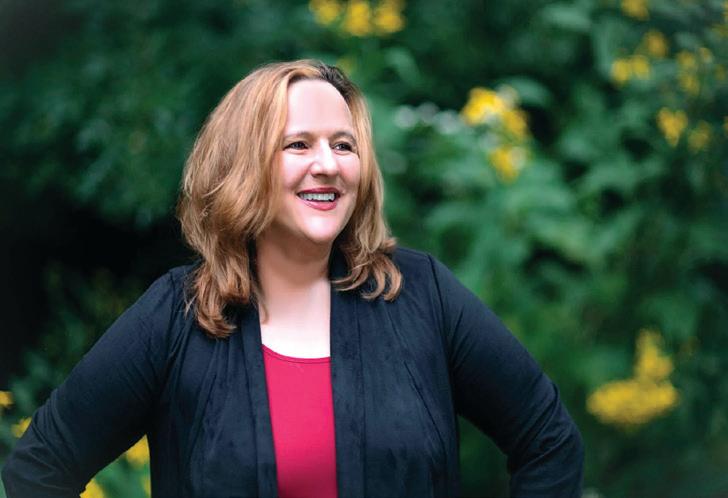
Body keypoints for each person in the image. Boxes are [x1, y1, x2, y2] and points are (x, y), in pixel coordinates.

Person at [2, 60, 583, 498]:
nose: (327, 164)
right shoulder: (175, 319)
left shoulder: (422, 294)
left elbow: (549, 442)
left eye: (343, 145)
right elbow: (40, 469)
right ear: (244, 167)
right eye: (298, 145)